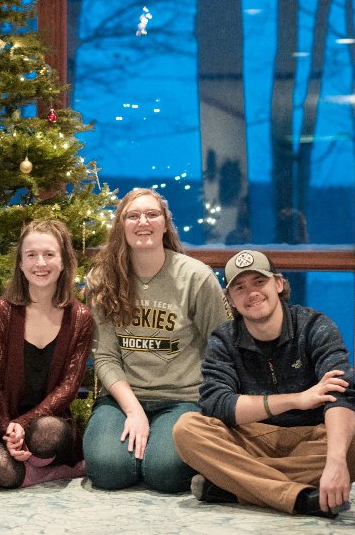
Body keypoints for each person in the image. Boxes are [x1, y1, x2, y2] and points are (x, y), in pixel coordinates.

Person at [172, 250, 355, 518]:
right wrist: (296, 399)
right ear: (230, 299)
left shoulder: (315, 326)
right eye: (240, 288)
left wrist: (336, 461)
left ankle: (235, 488)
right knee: (186, 429)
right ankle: (301, 499)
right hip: (251, 437)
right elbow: (218, 404)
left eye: (259, 282)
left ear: (278, 284)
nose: (251, 293)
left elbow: (342, 393)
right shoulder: (223, 340)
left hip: (312, 436)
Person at [82, 188, 229, 493]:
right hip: (123, 399)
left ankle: (155, 452)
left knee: (164, 473)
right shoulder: (103, 279)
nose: (142, 222)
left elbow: (221, 347)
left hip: (182, 398)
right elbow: (106, 356)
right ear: (122, 226)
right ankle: (137, 451)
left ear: (165, 224)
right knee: (108, 471)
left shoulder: (196, 277)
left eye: (152, 214)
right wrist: (134, 411)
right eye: (132, 216)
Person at [0, 219, 94, 488]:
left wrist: (24, 423)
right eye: (31, 255)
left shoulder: (80, 317)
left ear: (63, 262)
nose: (40, 263)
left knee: (47, 434)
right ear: (20, 263)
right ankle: (44, 471)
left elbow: (69, 387)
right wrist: (8, 428)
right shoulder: (4, 309)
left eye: (49, 254)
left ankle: (36, 464)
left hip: (48, 423)